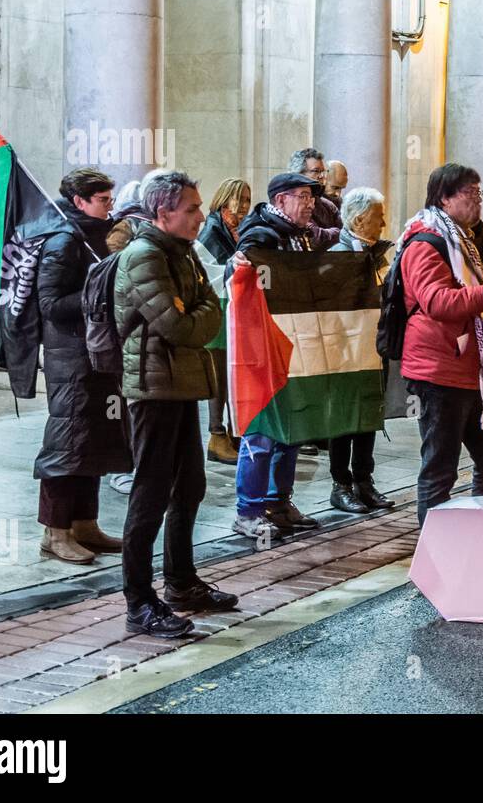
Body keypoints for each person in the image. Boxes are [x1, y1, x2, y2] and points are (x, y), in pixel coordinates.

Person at [114, 171, 237, 637]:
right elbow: (182, 327)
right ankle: (139, 602)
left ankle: (182, 584)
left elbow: (209, 306)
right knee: (150, 493)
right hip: (152, 389)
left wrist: (200, 308)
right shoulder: (144, 256)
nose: (200, 216)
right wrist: (201, 309)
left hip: (182, 383)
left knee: (189, 488)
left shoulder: (181, 253)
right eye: (191, 209)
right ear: (163, 213)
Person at [399, 163, 483, 525]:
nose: (478, 201)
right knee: (440, 468)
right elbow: (437, 302)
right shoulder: (426, 242)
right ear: (445, 198)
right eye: (470, 193)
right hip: (439, 374)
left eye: (479, 193)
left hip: (477, 375)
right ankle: (436, 558)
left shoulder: (467, 240)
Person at [33, 168, 129, 564]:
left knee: (95, 438)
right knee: (66, 440)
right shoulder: (62, 240)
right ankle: (55, 532)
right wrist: (97, 288)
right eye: (104, 200)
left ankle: (86, 523)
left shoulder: (98, 234)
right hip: (69, 355)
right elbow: (51, 305)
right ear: (79, 201)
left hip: (97, 352)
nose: (111, 205)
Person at [228, 172, 325, 538]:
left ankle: (278, 501)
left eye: (311, 196)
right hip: (265, 350)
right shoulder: (262, 236)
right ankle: (249, 510)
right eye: (302, 196)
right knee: (263, 431)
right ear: (281, 200)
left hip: (290, 346)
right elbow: (243, 285)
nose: (310, 203)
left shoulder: (295, 236)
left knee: (290, 429)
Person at [326, 187, 397, 513]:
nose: (383, 224)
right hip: (346, 353)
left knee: (369, 415)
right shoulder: (338, 256)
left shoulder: (379, 256)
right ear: (358, 220)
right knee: (344, 420)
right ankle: (340, 484)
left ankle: (364, 481)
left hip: (373, 349)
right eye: (378, 217)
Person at [198, 178, 251, 466]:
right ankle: (217, 436)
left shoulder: (236, 230)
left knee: (231, 374)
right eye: (238, 199)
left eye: (247, 199)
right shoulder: (212, 230)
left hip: (233, 307)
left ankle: (233, 432)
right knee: (218, 374)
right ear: (223, 199)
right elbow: (215, 271)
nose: (243, 205)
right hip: (218, 307)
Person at [289, 147, 341, 249]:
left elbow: (346, 234)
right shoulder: (289, 203)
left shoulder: (328, 205)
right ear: (298, 174)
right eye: (316, 171)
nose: (322, 176)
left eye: (323, 172)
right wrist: (336, 233)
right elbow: (314, 237)